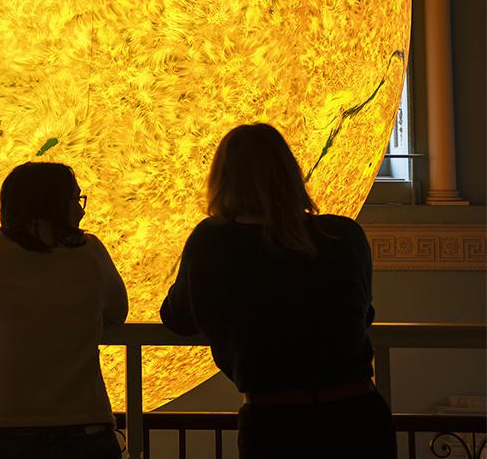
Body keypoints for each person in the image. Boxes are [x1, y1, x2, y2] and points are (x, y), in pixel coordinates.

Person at [160, 123, 397, 459]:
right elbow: (363, 314)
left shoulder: (212, 241)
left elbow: (178, 318)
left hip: (275, 423)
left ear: (223, 181)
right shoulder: (344, 236)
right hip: (358, 415)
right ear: (291, 173)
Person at [0, 162, 128, 459]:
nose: (82, 211)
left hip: (11, 430)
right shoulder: (90, 251)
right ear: (56, 205)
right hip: (86, 426)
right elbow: (117, 312)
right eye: (76, 200)